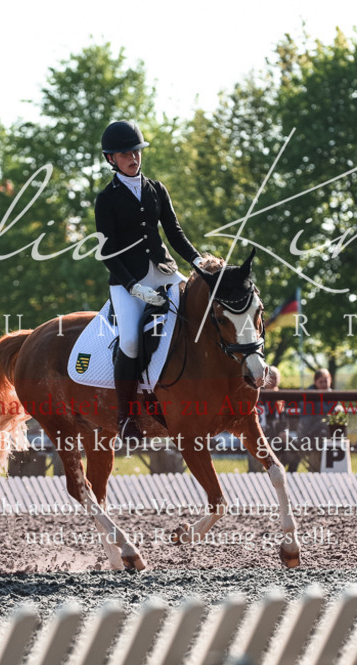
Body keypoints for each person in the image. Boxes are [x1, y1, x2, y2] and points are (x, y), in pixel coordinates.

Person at [95, 121, 208, 441]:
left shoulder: (156, 188)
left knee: (201, 313)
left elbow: (174, 233)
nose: (133, 157)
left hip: (164, 271)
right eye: (125, 153)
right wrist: (133, 286)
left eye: (136, 151)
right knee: (130, 340)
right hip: (127, 281)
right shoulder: (106, 198)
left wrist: (198, 262)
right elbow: (107, 252)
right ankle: (126, 416)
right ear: (111, 159)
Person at [298, 368, 335, 471]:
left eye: (326, 381)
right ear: (315, 382)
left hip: (330, 438)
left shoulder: (333, 396)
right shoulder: (309, 397)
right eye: (321, 381)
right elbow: (306, 422)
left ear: (330, 380)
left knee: (329, 469)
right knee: (315, 468)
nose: (324, 384)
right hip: (312, 438)